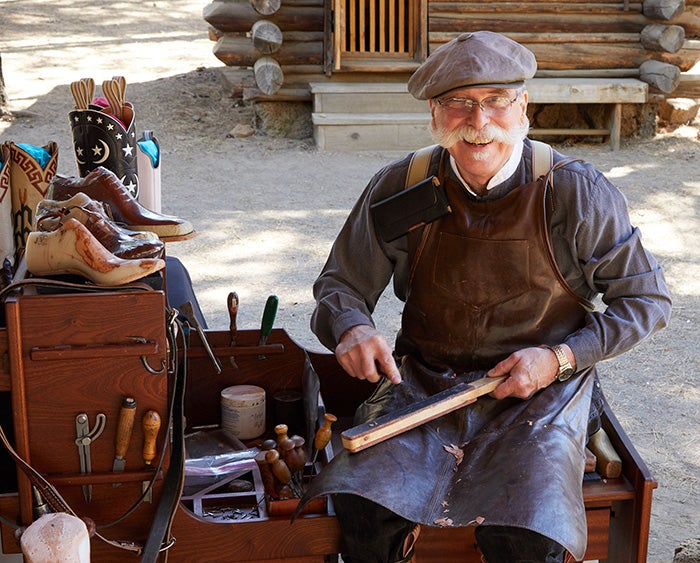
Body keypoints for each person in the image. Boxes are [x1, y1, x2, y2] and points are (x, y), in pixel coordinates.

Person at [300, 30, 672, 563]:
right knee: (363, 502)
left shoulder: (572, 191)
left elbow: (647, 301)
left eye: (496, 101)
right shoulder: (406, 185)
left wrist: (561, 358)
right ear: (434, 112)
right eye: (458, 103)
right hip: (423, 384)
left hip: (541, 394)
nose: (478, 121)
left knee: (524, 527)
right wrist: (351, 326)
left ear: (523, 106)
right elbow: (339, 284)